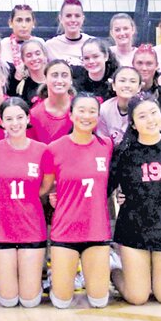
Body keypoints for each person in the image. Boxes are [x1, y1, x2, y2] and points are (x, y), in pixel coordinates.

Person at [110, 96, 161, 306]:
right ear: (133, 124)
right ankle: (114, 273)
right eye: (142, 116)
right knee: (138, 297)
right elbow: (107, 186)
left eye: (154, 113)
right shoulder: (124, 152)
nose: (150, 119)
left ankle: (157, 276)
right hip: (133, 229)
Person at [39, 94, 114, 309]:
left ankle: (114, 267)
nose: (87, 115)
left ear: (98, 117)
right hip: (65, 230)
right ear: (71, 115)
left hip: (96, 231)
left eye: (92, 111)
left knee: (99, 301)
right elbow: (46, 188)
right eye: (81, 110)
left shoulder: (107, 145)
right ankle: (56, 276)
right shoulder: (54, 148)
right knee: (62, 303)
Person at [0, 98, 48, 308]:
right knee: (8, 300)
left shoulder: (41, 150)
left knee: (30, 301)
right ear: (0, 121)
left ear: (28, 118)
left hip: (31, 228)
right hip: (1, 228)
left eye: (20, 117)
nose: (15, 123)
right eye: (9, 118)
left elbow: (46, 186)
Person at [28, 60, 75, 144]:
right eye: (54, 75)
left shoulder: (80, 108)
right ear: (45, 79)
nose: (59, 80)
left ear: (71, 80)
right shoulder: (35, 114)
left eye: (64, 75)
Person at [97, 66, 143, 145]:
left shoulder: (145, 110)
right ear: (114, 85)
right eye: (122, 80)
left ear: (139, 87)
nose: (127, 85)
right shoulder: (104, 109)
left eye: (132, 81)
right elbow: (102, 142)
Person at [45, 0, 93, 66]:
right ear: (61, 18)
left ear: (82, 19)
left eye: (77, 16)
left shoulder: (93, 43)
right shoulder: (50, 46)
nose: (73, 20)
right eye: (68, 16)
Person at [7, 38, 50, 102]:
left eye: (38, 54)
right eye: (29, 55)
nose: (34, 58)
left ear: (45, 55)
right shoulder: (20, 83)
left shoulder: (54, 77)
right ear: (23, 60)